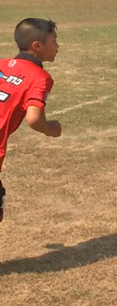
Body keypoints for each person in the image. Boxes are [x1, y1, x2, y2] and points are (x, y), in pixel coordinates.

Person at [0, 19, 62, 222]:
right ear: (37, 46)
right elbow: (34, 119)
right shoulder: (39, 77)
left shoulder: (1, 64)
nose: (57, 47)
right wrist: (50, 128)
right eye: (54, 41)